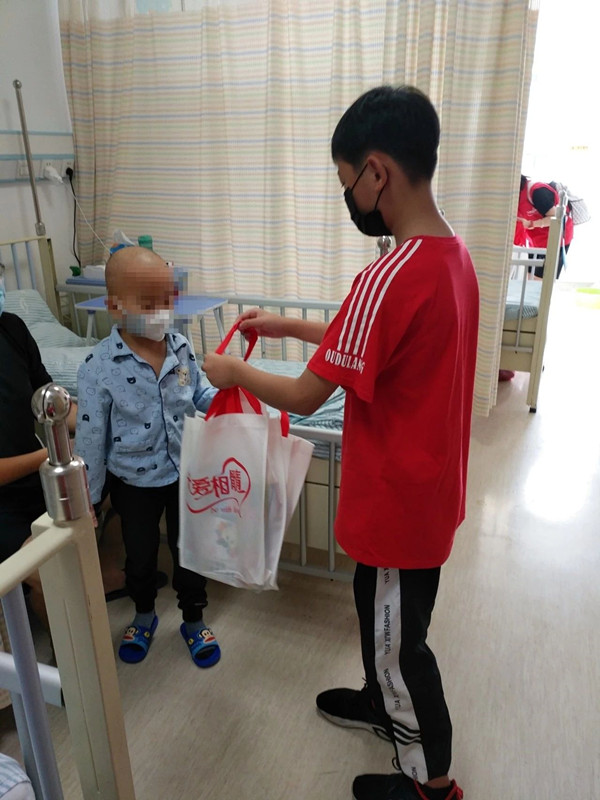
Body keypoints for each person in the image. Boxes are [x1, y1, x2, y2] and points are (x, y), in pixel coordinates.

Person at [203, 86, 478, 800]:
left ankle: (430, 784)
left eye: (347, 182)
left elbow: (304, 396)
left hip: (396, 508)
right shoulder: (450, 259)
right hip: (426, 492)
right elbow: (372, 338)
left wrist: (234, 371)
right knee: (378, 609)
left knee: (402, 647)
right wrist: (290, 327)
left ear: (377, 173)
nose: (349, 197)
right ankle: (378, 701)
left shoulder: (388, 274)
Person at [75, 246, 221, 667]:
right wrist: (89, 499)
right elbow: (90, 439)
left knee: (189, 551)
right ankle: (143, 614)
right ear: (115, 307)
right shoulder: (99, 366)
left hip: (184, 471)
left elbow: (198, 393)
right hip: (133, 482)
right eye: (148, 303)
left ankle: (193, 618)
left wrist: (230, 400)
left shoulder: (180, 348)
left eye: (166, 299)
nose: (161, 312)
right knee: (139, 555)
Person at [515, 174, 573, 279]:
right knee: (529, 275)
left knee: (543, 279)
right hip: (537, 241)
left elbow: (556, 218)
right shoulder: (515, 199)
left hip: (556, 239)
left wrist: (532, 224)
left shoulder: (538, 192)